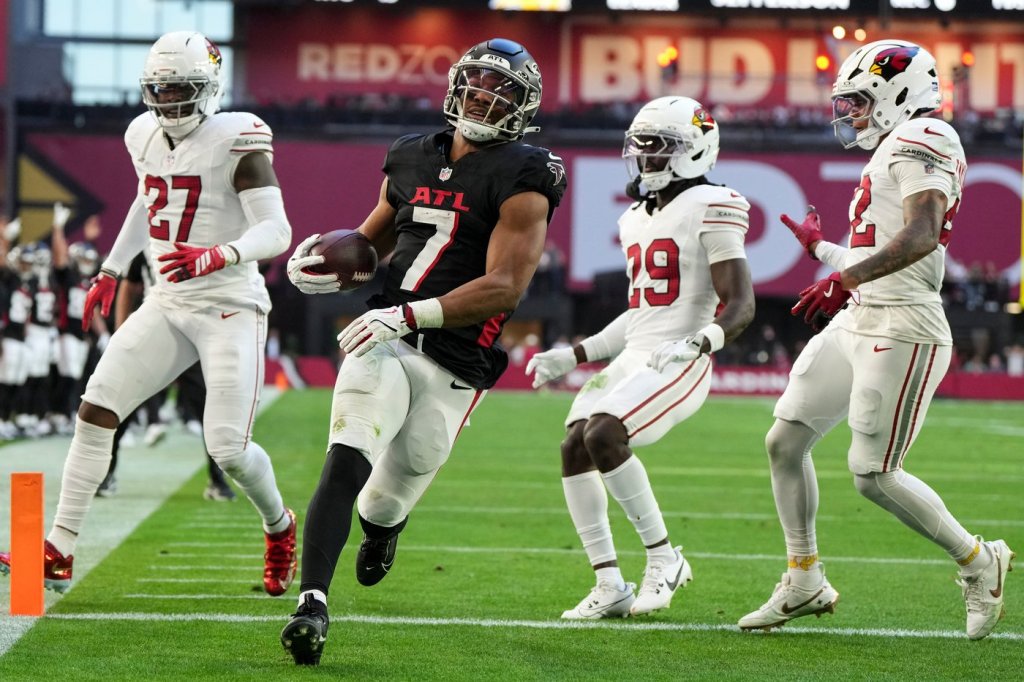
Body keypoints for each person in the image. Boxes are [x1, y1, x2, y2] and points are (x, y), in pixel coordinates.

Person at [280, 37, 566, 665]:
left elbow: (506, 286)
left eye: (500, 91)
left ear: (523, 107)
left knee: (385, 500)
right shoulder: (410, 155)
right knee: (346, 453)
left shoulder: (527, 173)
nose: (483, 98)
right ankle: (312, 605)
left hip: (457, 356)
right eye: (476, 84)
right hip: (385, 334)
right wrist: (327, 266)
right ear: (456, 87)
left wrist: (412, 312)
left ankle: (384, 531)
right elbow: (370, 241)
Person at [0, 31, 296, 597]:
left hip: (230, 305)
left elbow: (277, 230)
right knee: (95, 409)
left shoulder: (237, 138)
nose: (168, 100)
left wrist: (220, 254)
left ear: (209, 88)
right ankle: (58, 549)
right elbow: (148, 197)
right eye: (159, 88)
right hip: (168, 300)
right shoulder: (142, 134)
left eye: (180, 88)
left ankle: (279, 526)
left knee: (228, 448)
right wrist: (111, 269)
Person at [737, 39, 1014, 640]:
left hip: (904, 324)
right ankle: (804, 578)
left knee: (873, 473)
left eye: (861, 101)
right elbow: (879, 250)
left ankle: (979, 560)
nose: (852, 114)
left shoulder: (926, 135)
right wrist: (821, 250)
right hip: (862, 316)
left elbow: (921, 235)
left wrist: (844, 279)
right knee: (785, 441)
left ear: (900, 92)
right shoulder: (895, 145)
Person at [526, 96, 755, 619]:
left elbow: (741, 305)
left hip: (680, 359)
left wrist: (700, 342)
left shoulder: (715, 204)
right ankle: (609, 582)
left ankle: (664, 557)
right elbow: (641, 314)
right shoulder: (633, 217)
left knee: (604, 434)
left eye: (660, 148)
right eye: (642, 148)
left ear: (695, 150)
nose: (647, 158)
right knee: (574, 447)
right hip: (638, 354)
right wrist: (574, 355)